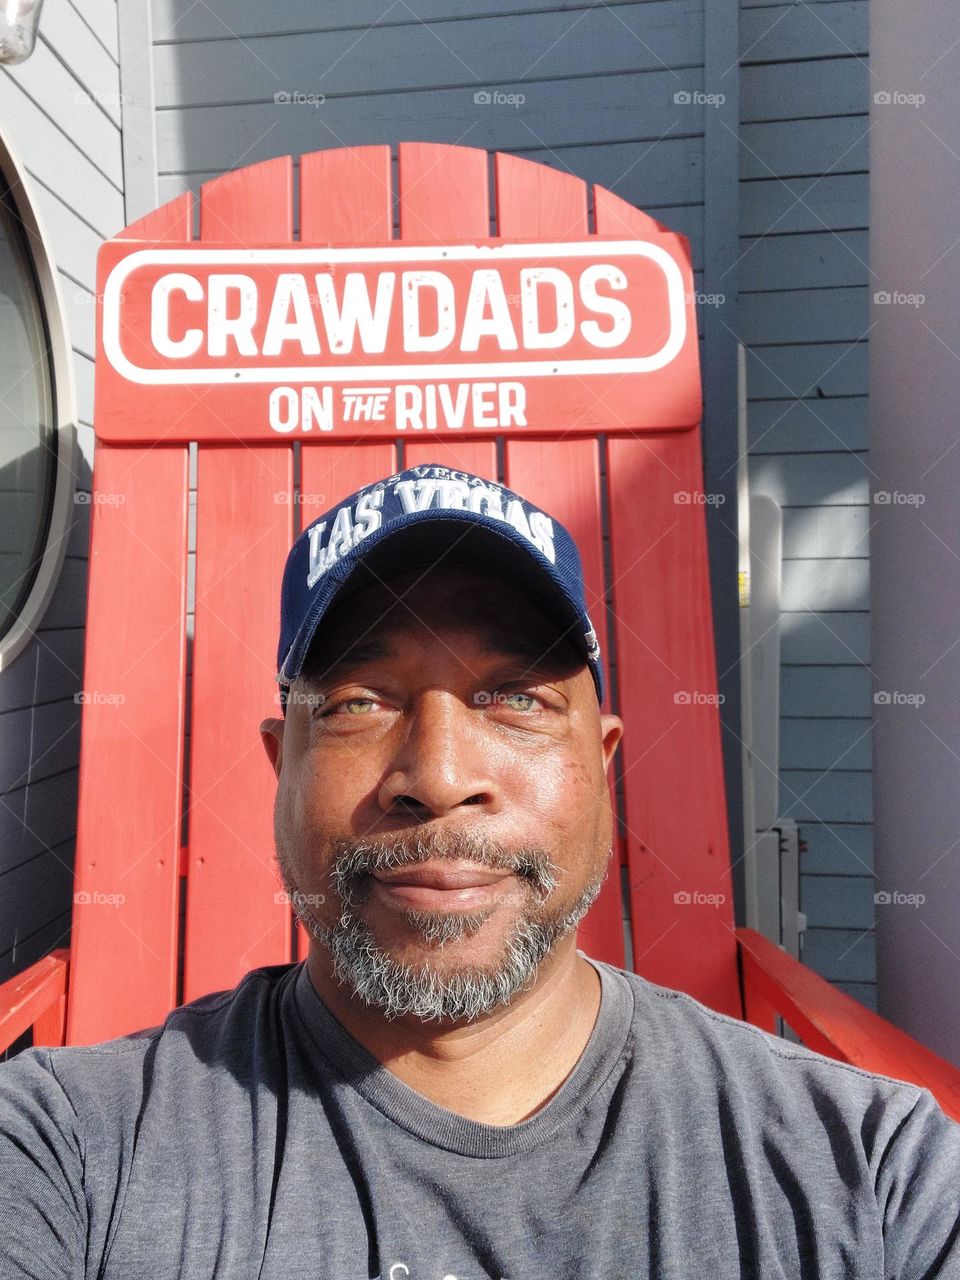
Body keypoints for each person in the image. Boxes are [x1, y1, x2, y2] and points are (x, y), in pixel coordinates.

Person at [0, 462, 958, 1279]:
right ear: (278, 767)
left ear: (604, 767)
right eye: (357, 702)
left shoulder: (877, 1174)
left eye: (517, 698)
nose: (441, 777)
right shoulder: (67, 1149)